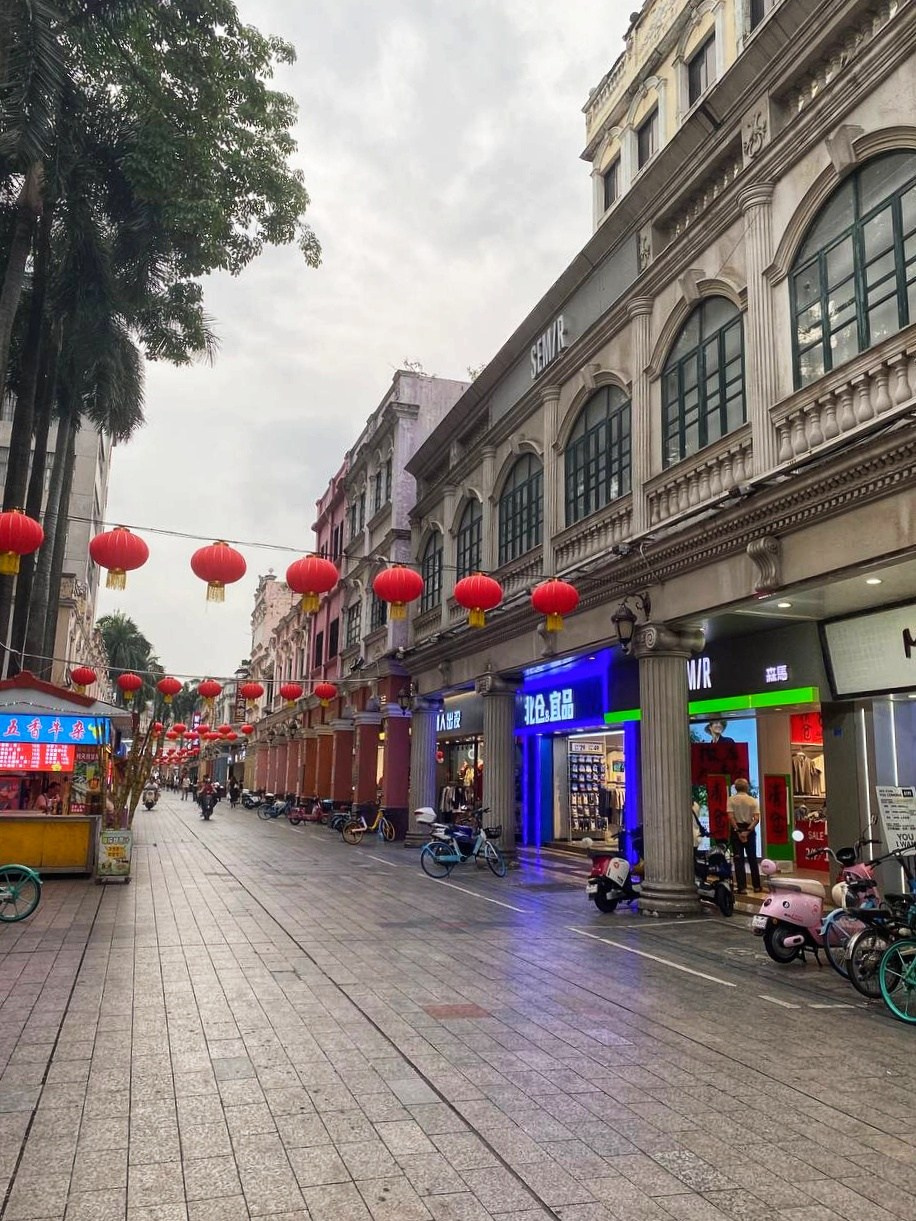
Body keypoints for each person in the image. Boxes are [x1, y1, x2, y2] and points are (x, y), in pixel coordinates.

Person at [728, 778, 762, 894]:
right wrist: (747, 831)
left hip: (736, 830)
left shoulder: (731, 800)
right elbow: (756, 819)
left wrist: (738, 831)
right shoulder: (752, 801)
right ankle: (757, 886)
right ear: (747, 787)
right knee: (752, 859)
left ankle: (742, 887)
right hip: (749, 830)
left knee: (739, 860)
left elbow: (731, 817)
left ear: (735, 788)